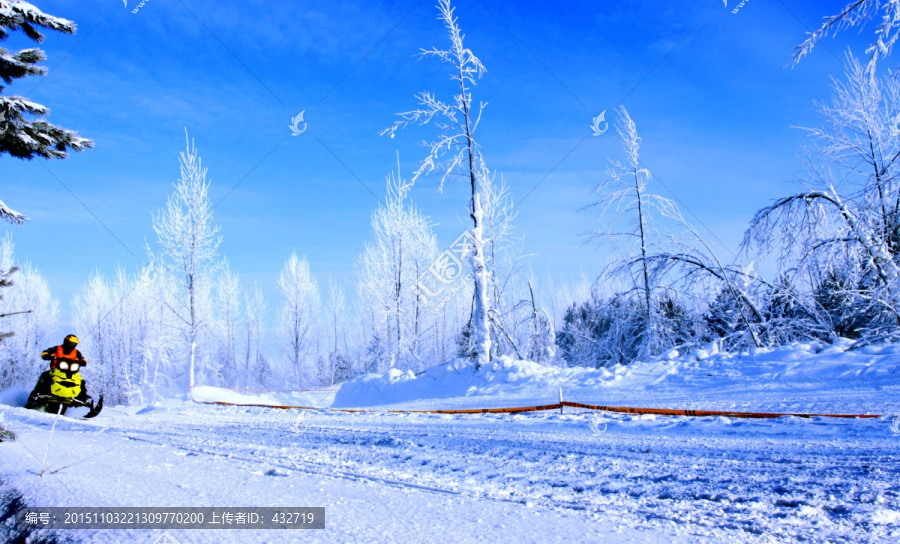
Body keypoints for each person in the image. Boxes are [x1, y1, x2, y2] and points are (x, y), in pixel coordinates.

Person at [33, 334, 89, 402]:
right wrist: (47, 355)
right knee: (45, 375)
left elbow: (83, 359)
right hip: (56, 370)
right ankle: (37, 393)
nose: (72, 345)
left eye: (74, 344)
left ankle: (83, 398)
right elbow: (45, 353)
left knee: (81, 381)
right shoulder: (57, 349)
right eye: (71, 343)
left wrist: (83, 362)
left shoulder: (76, 353)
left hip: (71, 372)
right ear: (66, 342)